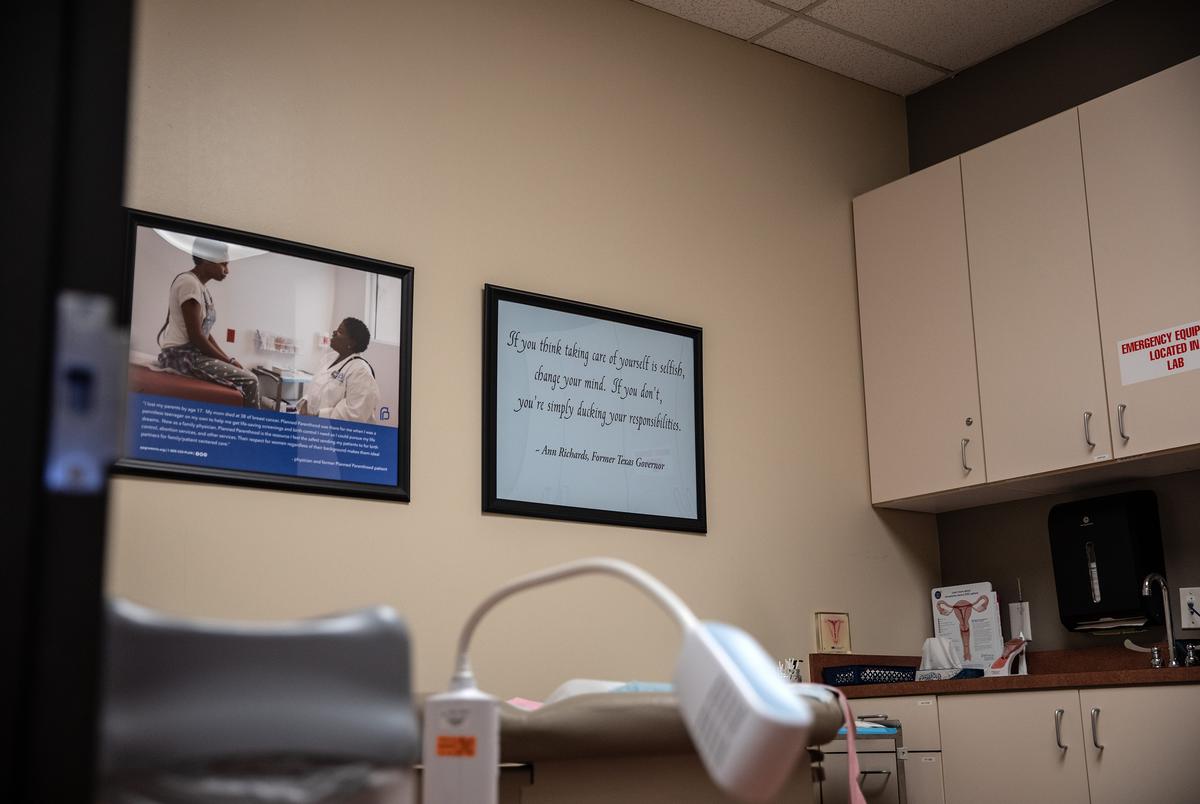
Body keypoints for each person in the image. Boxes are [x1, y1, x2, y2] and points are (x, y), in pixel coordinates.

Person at [155, 238, 259, 407]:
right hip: (183, 356)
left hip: (192, 355)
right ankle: (251, 431)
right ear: (205, 258)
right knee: (251, 380)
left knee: (245, 374)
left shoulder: (200, 287)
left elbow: (205, 334)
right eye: (223, 264)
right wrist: (230, 362)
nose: (227, 271)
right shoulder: (189, 283)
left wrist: (229, 359)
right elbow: (196, 337)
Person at [296, 317, 382, 423]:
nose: (334, 332)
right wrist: (306, 402)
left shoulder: (361, 371)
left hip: (336, 434)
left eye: (340, 332)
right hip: (312, 426)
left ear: (352, 342)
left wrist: (317, 416)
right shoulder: (328, 358)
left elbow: (354, 414)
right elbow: (315, 386)